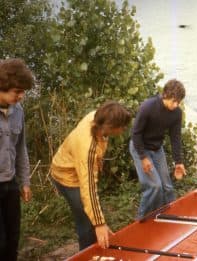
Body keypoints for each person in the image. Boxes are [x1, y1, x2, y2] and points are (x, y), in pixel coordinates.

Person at [51, 101, 132, 250]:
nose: (124, 129)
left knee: (91, 217)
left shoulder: (97, 117)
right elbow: (88, 188)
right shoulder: (87, 148)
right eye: (123, 126)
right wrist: (100, 223)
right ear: (112, 126)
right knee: (88, 224)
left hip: (72, 167)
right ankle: (89, 254)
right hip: (67, 177)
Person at [130, 79, 186, 220]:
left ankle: (168, 218)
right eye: (173, 101)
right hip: (140, 148)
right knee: (154, 186)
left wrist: (178, 162)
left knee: (167, 187)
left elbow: (175, 138)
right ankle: (142, 220)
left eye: (178, 102)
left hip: (157, 149)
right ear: (165, 94)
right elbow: (135, 134)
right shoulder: (148, 107)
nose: (176, 105)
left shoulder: (176, 113)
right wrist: (143, 158)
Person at [0, 58, 34, 261]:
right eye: (17, 91)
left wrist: (25, 181)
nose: (21, 96)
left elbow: (21, 148)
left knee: (13, 241)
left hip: (10, 184)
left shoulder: (18, 111)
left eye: (23, 91)